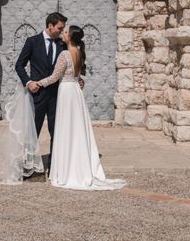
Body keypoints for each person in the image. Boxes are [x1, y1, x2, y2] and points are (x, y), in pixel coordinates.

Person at [34, 26, 126, 191]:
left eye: (66, 32)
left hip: (67, 92)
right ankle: (78, 163)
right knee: (76, 128)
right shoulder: (78, 52)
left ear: (71, 37)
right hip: (75, 91)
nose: (63, 33)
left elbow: (55, 77)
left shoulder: (65, 54)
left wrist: (39, 83)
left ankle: (66, 169)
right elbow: (76, 76)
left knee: (66, 129)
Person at [0, 12, 67, 185]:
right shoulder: (32, 41)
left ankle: (54, 168)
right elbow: (19, 65)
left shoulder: (62, 44)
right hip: (36, 94)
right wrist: (28, 82)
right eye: (59, 28)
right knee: (32, 132)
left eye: (63, 29)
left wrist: (78, 80)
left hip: (56, 95)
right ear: (50, 25)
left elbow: (68, 66)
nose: (61, 31)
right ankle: (31, 169)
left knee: (56, 132)